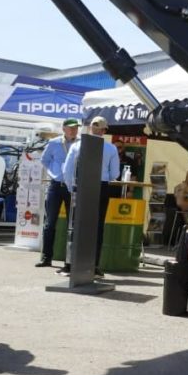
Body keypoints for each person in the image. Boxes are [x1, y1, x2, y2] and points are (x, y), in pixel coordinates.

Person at [61, 116, 120, 276]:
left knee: (76, 224)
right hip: (101, 186)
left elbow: (67, 170)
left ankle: (70, 264)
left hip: (81, 186)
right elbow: (115, 173)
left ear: (90, 128)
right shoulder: (111, 148)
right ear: (104, 130)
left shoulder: (77, 146)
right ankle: (94, 266)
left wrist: (71, 188)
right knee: (98, 226)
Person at [35, 117, 80, 268]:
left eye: (76, 128)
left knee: (72, 223)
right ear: (64, 129)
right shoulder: (54, 143)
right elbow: (44, 160)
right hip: (56, 185)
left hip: (72, 186)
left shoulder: (81, 144)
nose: (74, 130)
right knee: (50, 223)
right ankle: (46, 257)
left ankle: (70, 260)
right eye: (71, 128)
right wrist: (53, 173)